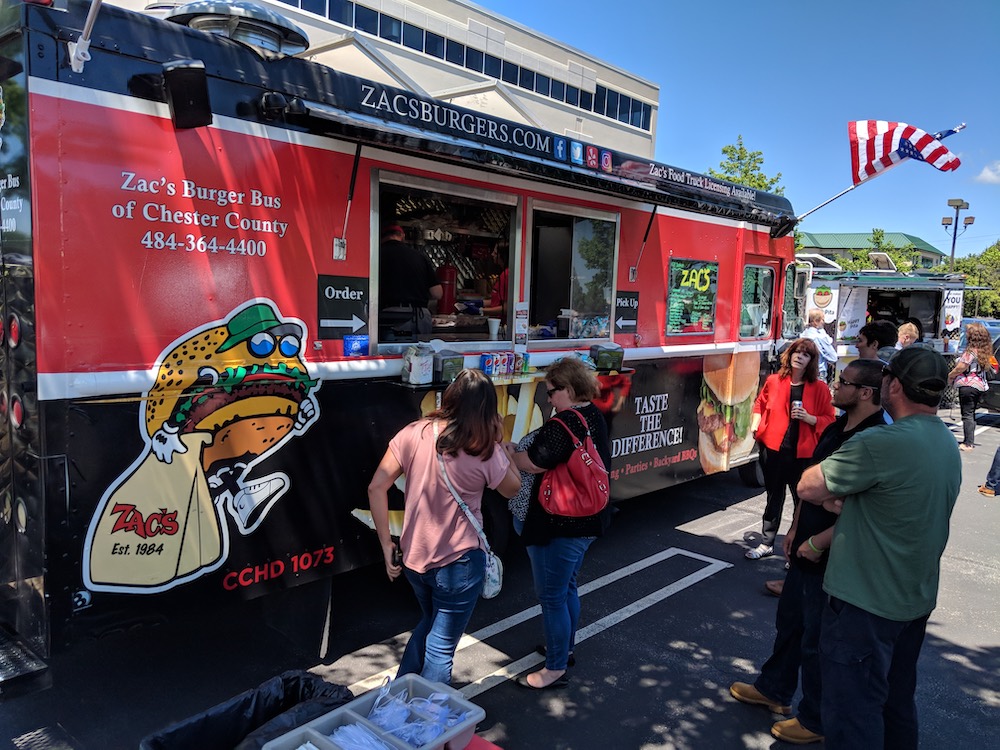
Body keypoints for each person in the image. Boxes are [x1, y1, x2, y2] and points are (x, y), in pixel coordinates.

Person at [797, 347, 960, 749]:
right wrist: (853, 503)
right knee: (895, 703)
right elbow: (898, 503)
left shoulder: (881, 443)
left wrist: (840, 502)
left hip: (864, 602)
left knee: (852, 712)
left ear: (895, 386)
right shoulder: (944, 439)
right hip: (913, 599)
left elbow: (808, 486)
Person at [730, 359, 889, 745]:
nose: (836, 385)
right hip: (805, 542)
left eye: (845, 382)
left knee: (818, 640)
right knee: (791, 624)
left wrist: (820, 540)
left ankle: (814, 719)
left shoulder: (876, 437)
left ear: (866, 393)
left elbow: (862, 506)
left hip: (833, 554)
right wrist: (797, 525)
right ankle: (774, 690)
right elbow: (812, 482)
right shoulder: (838, 426)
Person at [367, 369, 521, 684]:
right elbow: (513, 489)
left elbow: (376, 487)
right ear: (487, 409)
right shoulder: (484, 449)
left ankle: (400, 699)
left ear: (449, 398)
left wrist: (386, 544)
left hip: (414, 558)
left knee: (430, 624)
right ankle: (427, 722)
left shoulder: (414, 432)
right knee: (440, 646)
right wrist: (504, 448)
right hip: (459, 562)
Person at [510, 356, 613, 690]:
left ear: (568, 390)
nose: (548, 397)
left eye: (551, 391)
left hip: (561, 522)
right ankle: (564, 648)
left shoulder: (562, 424)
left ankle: (554, 668)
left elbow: (532, 464)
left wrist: (510, 452)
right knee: (566, 586)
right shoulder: (593, 414)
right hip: (588, 518)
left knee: (552, 595)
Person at [746, 339, 835, 560]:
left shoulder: (820, 388)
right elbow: (760, 403)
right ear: (789, 354)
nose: (799, 356)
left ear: (811, 361)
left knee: (801, 503)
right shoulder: (775, 381)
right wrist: (755, 424)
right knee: (773, 497)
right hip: (774, 450)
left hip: (804, 455)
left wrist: (809, 418)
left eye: (805, 354)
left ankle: (797, 551)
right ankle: (767, 543)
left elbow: (829, 419)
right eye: (796, 352)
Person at [378, 224, 443, 340]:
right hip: (420, 318)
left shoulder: (377, 255)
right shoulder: (419, 256)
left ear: (381, 237)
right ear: (402, 236)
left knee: (395, 353)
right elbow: (437, 293)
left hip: (393, 318)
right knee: (422, 355)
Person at [948, 321, 994, 451]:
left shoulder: (971, 352)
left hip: (967, 385)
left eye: (967, 333)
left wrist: (950, 376)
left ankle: (968, 443)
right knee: (971, 414)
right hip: (980, 385)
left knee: (967, 414)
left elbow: (960, 368)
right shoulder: (985, 352)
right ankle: (969, 440)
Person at [800, 309, 839, 382]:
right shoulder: (820, 337)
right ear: (816, 321)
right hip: (818, 373)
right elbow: (833, 357)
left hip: (803, 371)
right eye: (822, 320)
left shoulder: (803, 335)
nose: (823, 322)